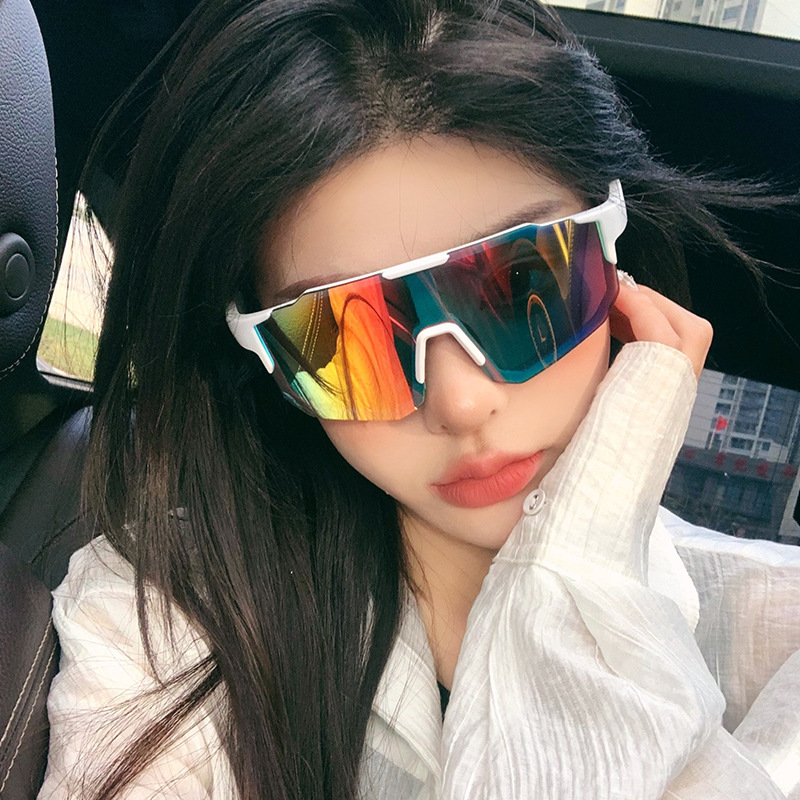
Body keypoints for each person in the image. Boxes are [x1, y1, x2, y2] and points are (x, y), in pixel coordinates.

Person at [37, 1, 800, 798]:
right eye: (346, 341)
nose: (461, 403)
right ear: (267, 366)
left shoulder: (780, 643)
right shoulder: (166, 617)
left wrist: (584, 560)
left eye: (523, 287)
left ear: (616, 261)